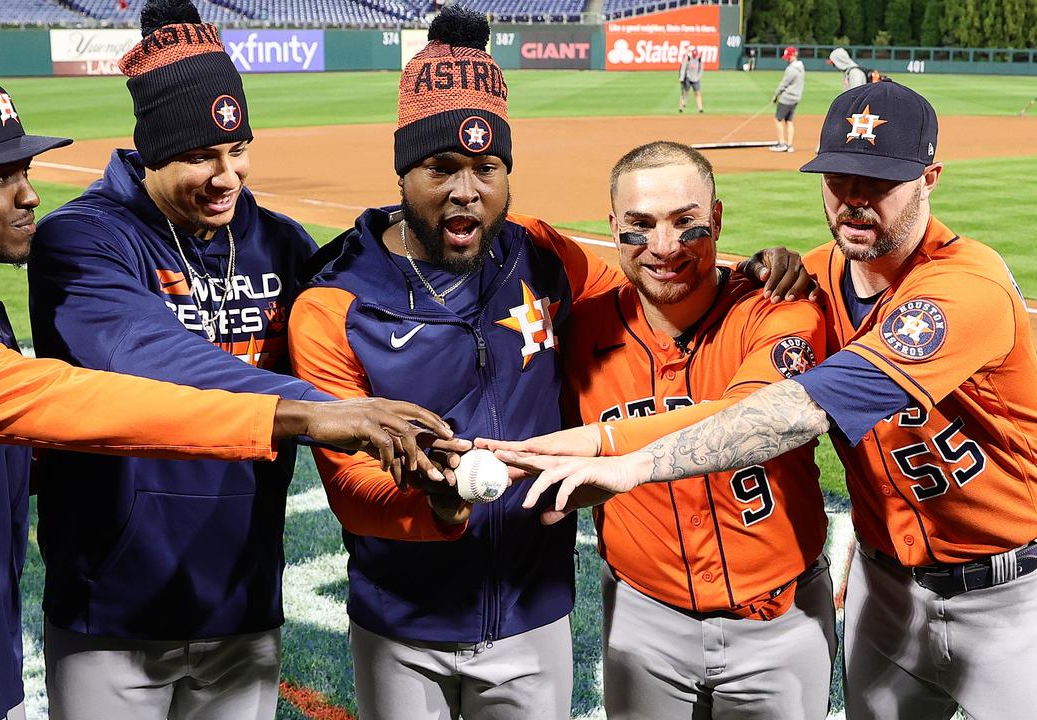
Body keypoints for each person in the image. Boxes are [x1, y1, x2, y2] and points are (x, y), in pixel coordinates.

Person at [0, 71, 454, 720]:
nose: (28, 196)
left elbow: (13, 453)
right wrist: (307, 413)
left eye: (23, 171)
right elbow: (70, 398)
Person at [287, 10, 815, 718]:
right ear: (404, 171)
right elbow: (349, 487)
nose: (466, 190)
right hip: (399, 623)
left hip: (534, 618)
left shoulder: (538, 253)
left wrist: (743, 275)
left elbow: (646, 285)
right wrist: (434, 504)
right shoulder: (332, 304)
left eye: (486, 167)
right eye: (441, 167)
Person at [492, 81, 1037, 720]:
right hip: (885, 586)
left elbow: (792, 412)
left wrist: (620, 455)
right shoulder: (810, 279)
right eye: (840, 178)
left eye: (878, 182)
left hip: (1012, 591)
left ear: (930, 178)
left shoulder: (964, 288)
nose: (854, 200)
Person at [26, 2, 458, 718]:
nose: (229, 176)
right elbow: (141, 353)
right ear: (153, 150)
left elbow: (370, 303)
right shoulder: (81, 240)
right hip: (112, 604)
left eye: (239, 150)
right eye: (202, 156)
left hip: (241, 596)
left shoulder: (281, 243)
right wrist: (319, 410)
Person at [475, 141, 834, 718]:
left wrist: (605, 442)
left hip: (782, 620)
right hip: (643, 621)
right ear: (611, 226)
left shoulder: (778, 310)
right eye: (639, 226)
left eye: (685, 223)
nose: (663, 247)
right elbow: (500, 223)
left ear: (716, 219)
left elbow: (758, 409)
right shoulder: (582, 323)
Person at [770, 45, 804, 153]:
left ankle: (781, 143)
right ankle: (789, 145)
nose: (788, 59)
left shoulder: (791, 69)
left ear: (793, 55)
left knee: (778, 119)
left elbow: (783, 84)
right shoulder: (801, 67)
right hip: (796, 98)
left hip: (787, 98)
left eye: (788, 56)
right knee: (789, 121)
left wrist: (775, 96)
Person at [678, 48, 704, 113]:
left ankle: (700, 108)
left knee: (697, 93)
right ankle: (681, 108)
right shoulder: (688, 58)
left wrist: (698, 77)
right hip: (688, 77)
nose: (694, 56)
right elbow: (683, 68)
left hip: (696, 78)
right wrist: (682, 77)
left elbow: (701, 69)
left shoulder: (699, 59)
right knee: (685, 93)